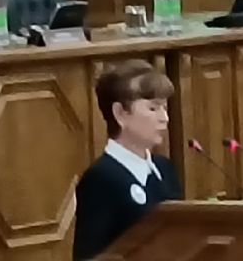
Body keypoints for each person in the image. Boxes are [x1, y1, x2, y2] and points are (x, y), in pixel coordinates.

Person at [72, 59, 183, 260]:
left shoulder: (164, 168)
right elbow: (90, 255)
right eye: (153, 108)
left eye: (165, 108)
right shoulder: (100, 178)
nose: (164, 118)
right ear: (120, 113)